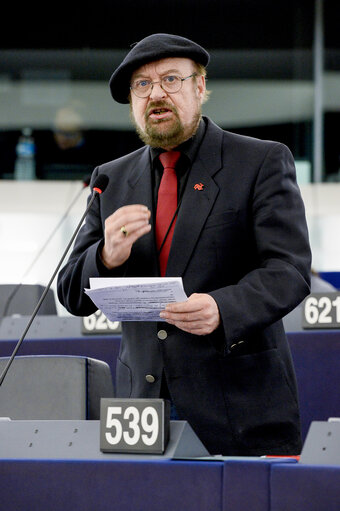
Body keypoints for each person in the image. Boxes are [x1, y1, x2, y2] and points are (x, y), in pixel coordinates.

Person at [57, 33, 311, 456]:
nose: (156, 94)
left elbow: (289, 270)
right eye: (142, 85)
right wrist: (105, 257)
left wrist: (222, 308)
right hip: (142, 412)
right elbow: (70, 291)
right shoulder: (111, 179)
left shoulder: (261, 161)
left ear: (200, 87)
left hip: (239, 407)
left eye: (171, 79)